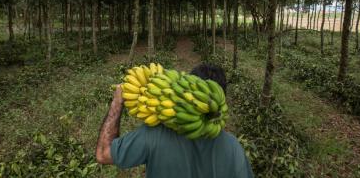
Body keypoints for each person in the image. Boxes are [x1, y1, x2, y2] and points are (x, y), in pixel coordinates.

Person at [95, 63, 254, 178]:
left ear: (185, 92)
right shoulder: (234, 148)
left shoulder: (154, 134)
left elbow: (103, 154)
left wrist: (117, 103)